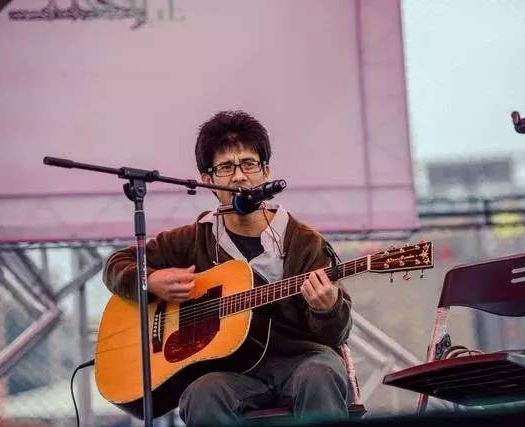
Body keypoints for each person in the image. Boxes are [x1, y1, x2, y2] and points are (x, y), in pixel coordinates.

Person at [102, 110, 353, 426]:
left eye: (249, 164)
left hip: (302, 361)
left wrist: (328, 308)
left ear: (266, 172)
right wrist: (150, 281)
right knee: (202, 393)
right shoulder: (194, 238)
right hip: (230, 373)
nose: (239, 177)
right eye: (225, 167)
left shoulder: (303, 241)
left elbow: (336, 333)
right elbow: (116, 264)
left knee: (321, 374)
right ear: (207, 180)